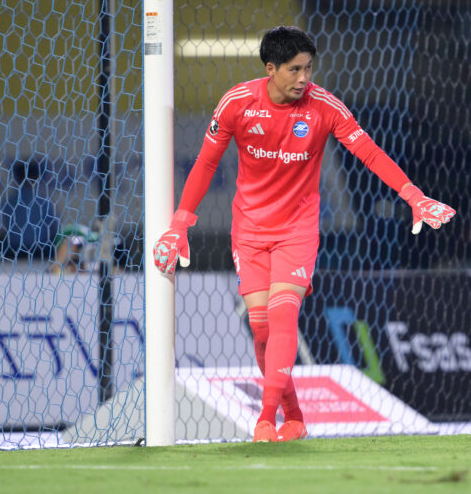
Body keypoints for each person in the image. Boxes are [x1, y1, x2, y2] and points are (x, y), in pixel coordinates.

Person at [153, 26, 455, 442]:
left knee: (282, 316)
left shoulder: (324, 106)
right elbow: (205, 163)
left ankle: (266, 419)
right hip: (250, 230)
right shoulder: (237, 103)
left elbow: (368, 152)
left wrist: (414, 196)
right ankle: (294, 416)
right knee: (261, 326)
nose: (303, 78)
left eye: (309, 68)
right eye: (294, 69)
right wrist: (180, 224)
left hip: (297, 230)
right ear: (270, 68)